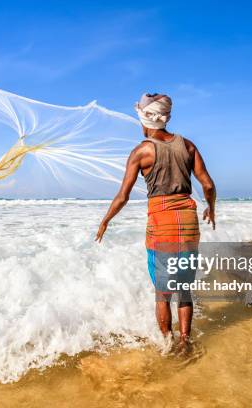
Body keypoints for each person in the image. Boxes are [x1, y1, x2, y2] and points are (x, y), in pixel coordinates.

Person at [95, 93, 216, 352]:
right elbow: (207, 184)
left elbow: (122, 196)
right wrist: (211, 209)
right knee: (184, 288)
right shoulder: (188, 146)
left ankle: (167, 344)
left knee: (163, 292)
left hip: (162, 224)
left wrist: (105, 220)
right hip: (188, 222)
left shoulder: (142, 151)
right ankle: (186, 341)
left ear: (145, 119)